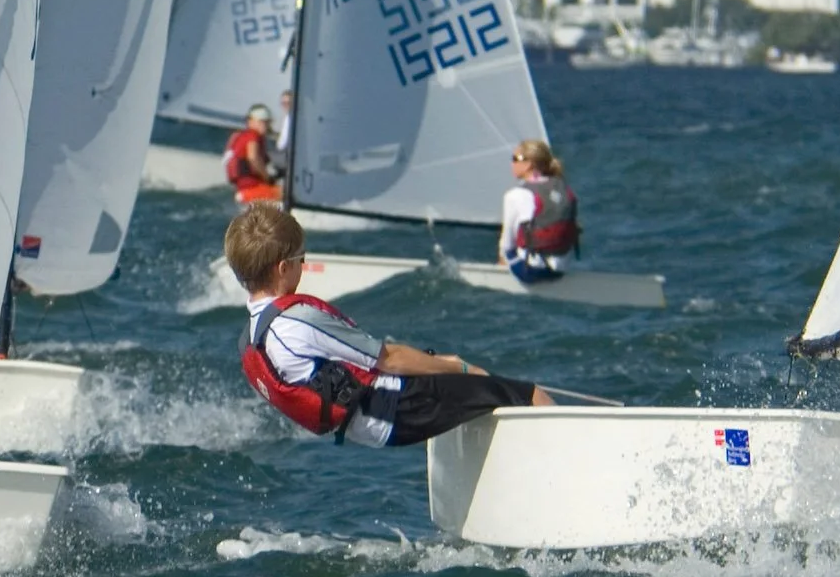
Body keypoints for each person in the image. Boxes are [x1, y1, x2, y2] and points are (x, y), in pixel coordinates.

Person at [226, 203, 551, 445]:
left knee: (474, 399)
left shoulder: (253, 334)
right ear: (283, 268)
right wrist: (456, 368)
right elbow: (389, 358)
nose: (304, 264)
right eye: (301, 257)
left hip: (366, 426)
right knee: (528, 393)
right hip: (396, 408)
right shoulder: (298, 321)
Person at [500, 139, 581, 285]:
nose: (512, 163)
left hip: (530, 271)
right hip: (562, 268)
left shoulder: (514, 195)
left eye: (515, 159)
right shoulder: (561, 187)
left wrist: (502, 262)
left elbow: (507, 243)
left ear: (529, 164)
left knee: (508, 250)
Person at [223, 104, 282, 205]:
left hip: (242, 190)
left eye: (266, 122)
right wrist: (267, 178)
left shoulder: (237, 136)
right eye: (261, 121)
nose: (264, 125)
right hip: (252, 189)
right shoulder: (253, 136)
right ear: (250, 121)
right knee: (286, 193)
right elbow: (253, 158)